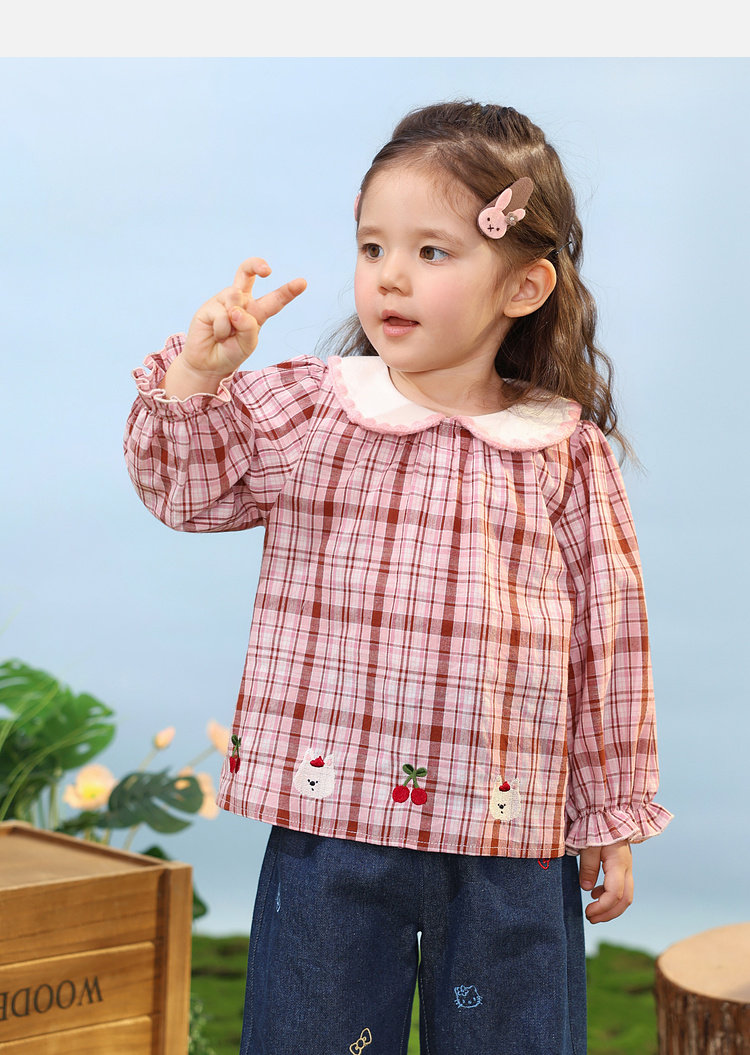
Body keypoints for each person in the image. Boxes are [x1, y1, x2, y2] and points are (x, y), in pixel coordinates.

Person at [124, 101, 672, 1055]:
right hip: (330, 824)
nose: (390, 275)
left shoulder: (563, 453)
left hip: (509, 833)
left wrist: (610, 813)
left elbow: (610, 644)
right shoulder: (312, 410)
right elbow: (185, 491)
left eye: (432, 251)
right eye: (373, 246)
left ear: (525, 284)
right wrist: (198, 379)